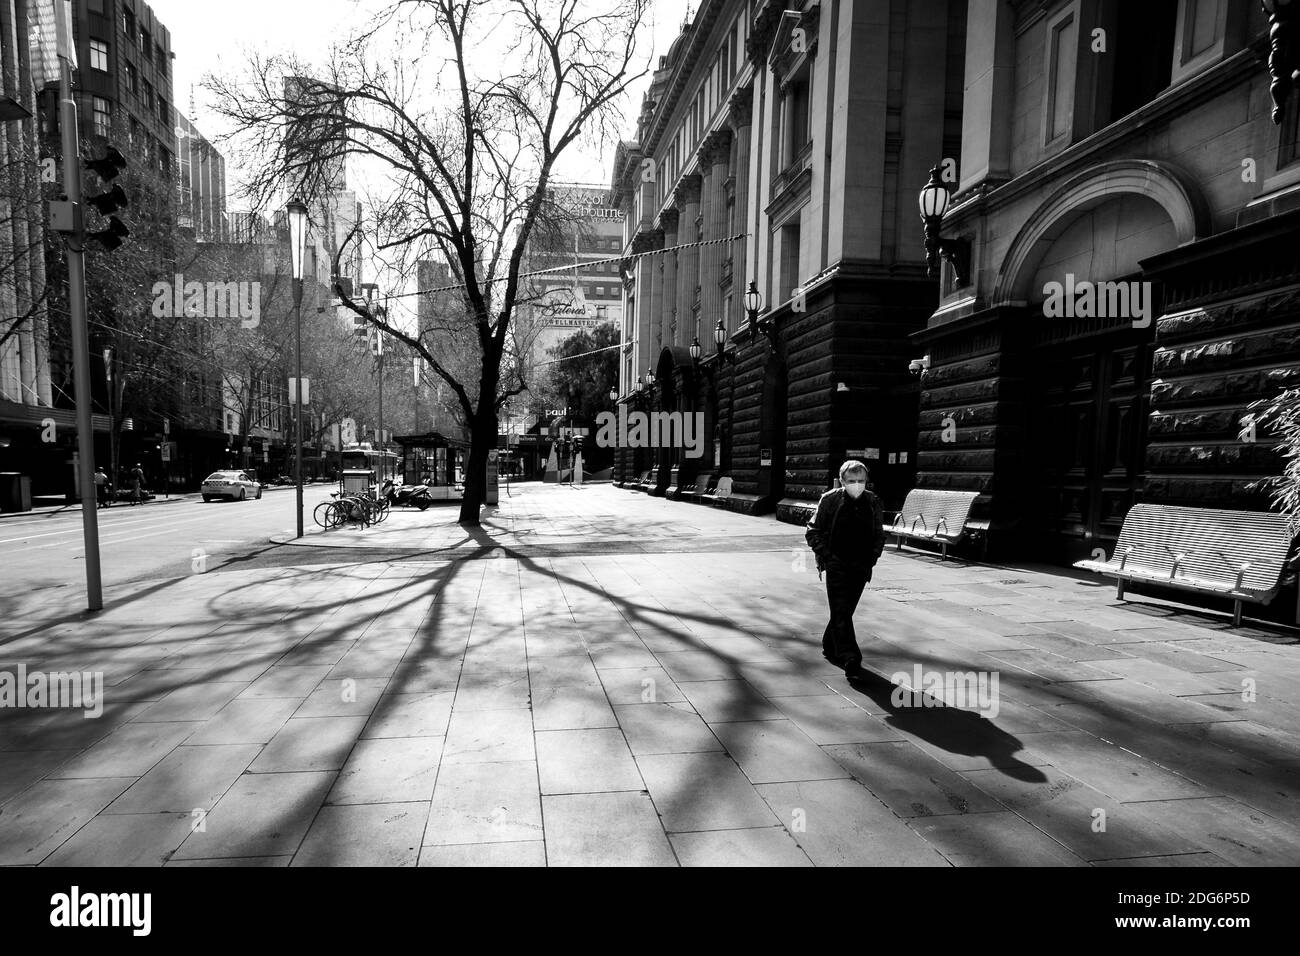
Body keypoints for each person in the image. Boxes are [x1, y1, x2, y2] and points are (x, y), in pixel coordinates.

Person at [805, 460, 887, 679]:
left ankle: (829, 642)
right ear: (842, 480)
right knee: (841, 609)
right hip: (837, 563)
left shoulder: (873, 501)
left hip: (861, 564)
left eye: (861, 480)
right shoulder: (830, 499)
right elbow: (813, 531)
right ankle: (851, 658)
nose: (857, 485)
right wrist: (827, 556)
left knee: (845, 610)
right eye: (851, 481)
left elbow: (879, 533)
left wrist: (873, 557)